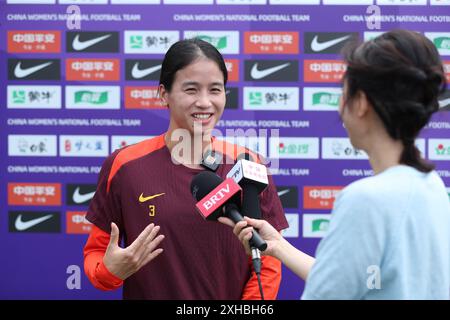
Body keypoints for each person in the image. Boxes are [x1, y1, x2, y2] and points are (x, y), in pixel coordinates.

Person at [220, 29, 450, 300]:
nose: (340, 105)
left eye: (344, 91)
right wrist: (279, 247)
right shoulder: (431, 185)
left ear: (361, 102)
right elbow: (355, 282)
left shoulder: (366, 199)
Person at [83, 38, 288, 299]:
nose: (204, 102)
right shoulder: (124, 165)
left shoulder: (249, 164)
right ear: (163, 94)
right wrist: (110, 272)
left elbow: (269, 262)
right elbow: (96, 255)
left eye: (215, 90)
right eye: (191, 90)